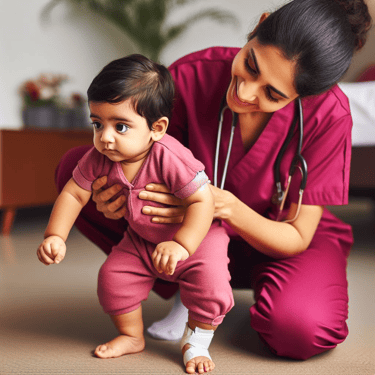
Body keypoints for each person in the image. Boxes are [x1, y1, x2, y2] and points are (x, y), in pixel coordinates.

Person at [54, 0, 372, 363]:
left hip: (279, 236)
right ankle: (184, 286)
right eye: (251, 65)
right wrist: (112, 197)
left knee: (302, 330)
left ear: (307, 96)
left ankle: (226, 293)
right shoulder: (192, 76)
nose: (246, 92)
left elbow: (297, 235)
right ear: (259, 26)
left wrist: (228, 206)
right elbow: (134, 158)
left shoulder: (329, 115)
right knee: (74, 171)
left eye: (273, 94)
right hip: (188, 235)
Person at [37, 54, 234, 374]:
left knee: (211, 289)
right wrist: (55, 235)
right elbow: (74, 193)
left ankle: (196, 342)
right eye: (97, 123)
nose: (106, 136)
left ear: (157, 128)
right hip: (142, 239)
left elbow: (202, 202)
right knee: (112, 279)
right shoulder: (98, 157)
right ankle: (131, 335)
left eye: (121, 125)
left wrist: (183, 244)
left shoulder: (171, 156)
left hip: (198, 240)